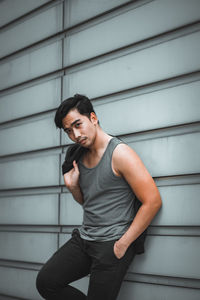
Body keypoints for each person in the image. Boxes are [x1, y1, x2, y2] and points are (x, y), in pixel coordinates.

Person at [36, 94, 162, 300]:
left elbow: (153, 201)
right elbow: (89, 203)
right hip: (85, 239)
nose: (75, 135)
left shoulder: (120, 154)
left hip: (112, 243)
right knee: (47, 282)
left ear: (93, 118)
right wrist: (73, 187)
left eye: (78, 125)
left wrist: (122, 244)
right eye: (68, 131)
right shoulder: (78, 156)